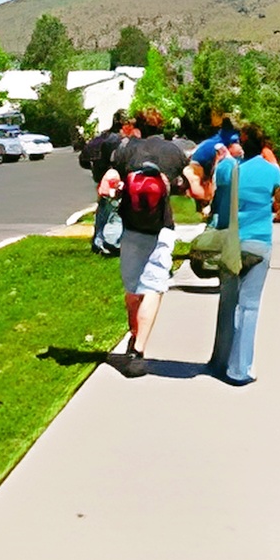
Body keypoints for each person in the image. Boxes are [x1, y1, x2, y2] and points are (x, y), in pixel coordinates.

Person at [98, 108, 188, 376]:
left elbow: (108, 181)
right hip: (161, 228)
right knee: (154, 287)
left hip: (132, 228)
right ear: (163, 126)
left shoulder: (127, 149)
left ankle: (133, 335)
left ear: (137, 126)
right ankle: (138, 352)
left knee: (133, 288)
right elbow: (189, 185)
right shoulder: (174, 152)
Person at [207, 122, 280, 386]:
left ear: (243, 145)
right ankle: (240, 369)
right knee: (249, 306)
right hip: (259, 242)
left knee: (227, 302)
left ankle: (219, 361)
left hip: (232, 242)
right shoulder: (271, 170)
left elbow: (214, 197)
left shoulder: (231, 169)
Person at [86, 111, 133, 256]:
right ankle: (111, 243)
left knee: (103, 212)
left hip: (104, 180)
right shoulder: (121, 141)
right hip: (116, 181)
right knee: (115, 213)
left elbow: (85, 158)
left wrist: (98, 171)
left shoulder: (103, 139)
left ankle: (98, 241)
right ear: (123, 124)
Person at [183, 116, 242, 212]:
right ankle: (206, 205)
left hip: (199, 161)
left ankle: (205, 205)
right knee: (207, 188)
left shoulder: (219, 138)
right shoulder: (226, 140)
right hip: (201, 164)